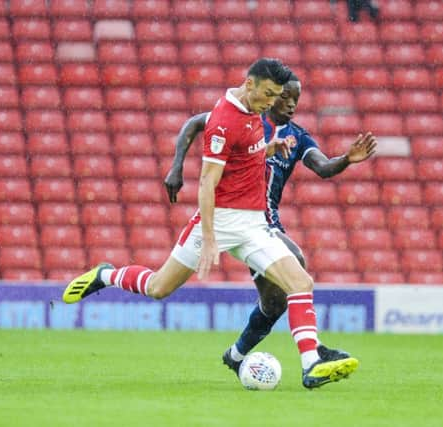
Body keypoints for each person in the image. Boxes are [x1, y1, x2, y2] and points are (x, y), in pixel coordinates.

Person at [62, 58, 359, 389]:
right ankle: (106, 274)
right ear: (250, 84)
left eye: (277, 96)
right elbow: (207, 182)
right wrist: (209, 237)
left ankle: (311, 364)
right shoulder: (223, 121)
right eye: (269, 94)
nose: (273, 102)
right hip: (218, 221)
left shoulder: (254, 109)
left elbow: (246, 150)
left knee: (300, 283)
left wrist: (269, 146)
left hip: (252, 224)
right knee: (159, 287)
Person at [164, 73, 376, 378]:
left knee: (275, 303)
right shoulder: (248, 119)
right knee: (296, 267)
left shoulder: (298, 136)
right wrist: (177, 165)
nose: (290, 104)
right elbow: (195, 123)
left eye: (296, 100)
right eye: (284, 97)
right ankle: (313, 352)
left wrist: (346, 158)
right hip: (236, 216)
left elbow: (324, 167)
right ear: (271, 93)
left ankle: (237, 356)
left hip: (264, 221)